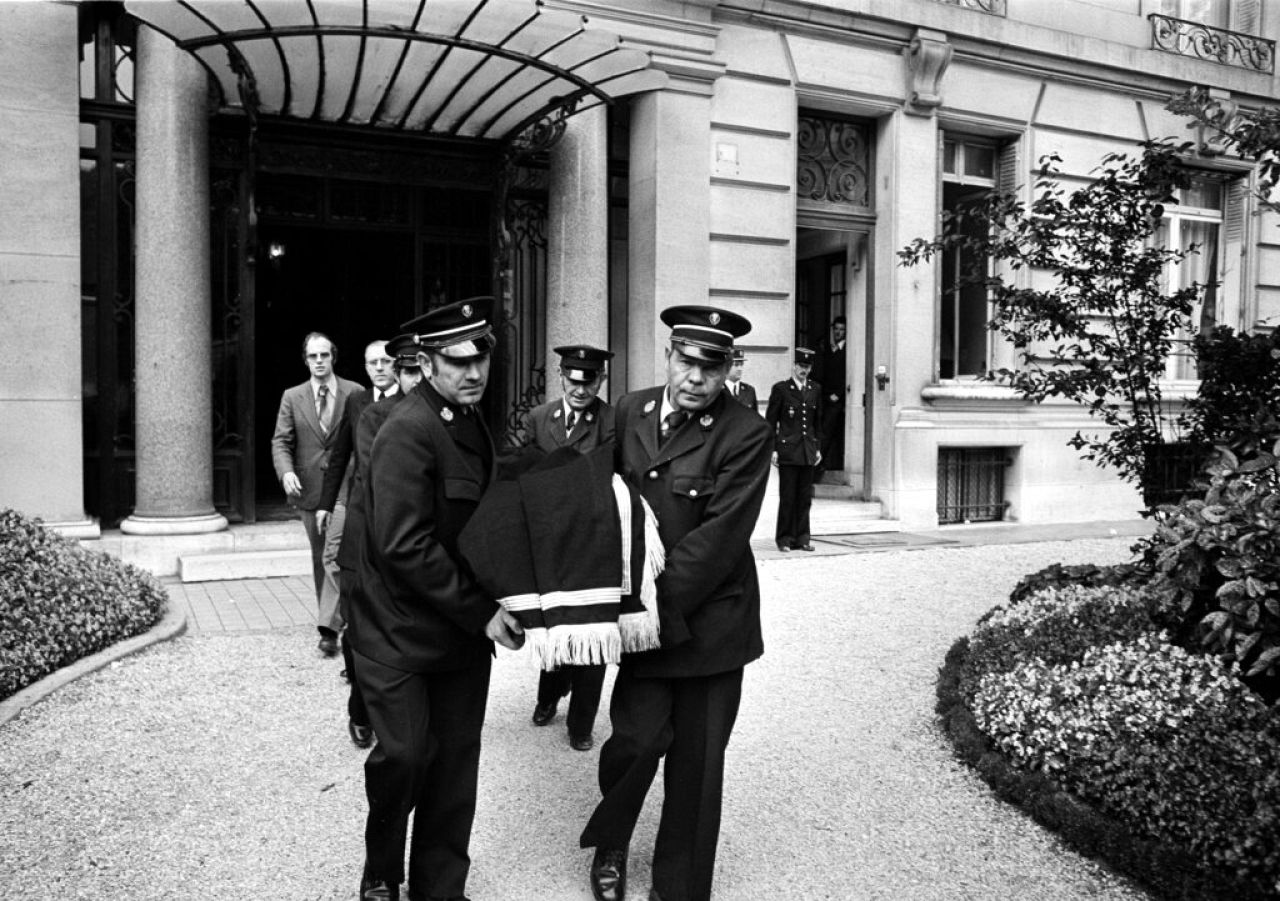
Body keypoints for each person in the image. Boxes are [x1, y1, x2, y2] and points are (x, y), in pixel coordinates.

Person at [580, 305, 772, 901]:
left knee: (697, 765)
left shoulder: (747, 433)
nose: (694, 378)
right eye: (685, 362)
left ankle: (680, 887)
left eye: (709, 368)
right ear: (668, 354)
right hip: (642, 621)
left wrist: (643, 606)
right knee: (632, 744)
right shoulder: (630, 409)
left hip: (711, 625)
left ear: (727, 370)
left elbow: (716, 543)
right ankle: (612, 842)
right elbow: (596, 498)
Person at [345, 298, 524, 901]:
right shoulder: (407, 429)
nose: (473, 373)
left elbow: (481, 519)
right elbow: (403, 545)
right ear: (426, 361)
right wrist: (483, 611)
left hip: (456, 637)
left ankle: (439, 888)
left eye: (481, 360)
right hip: (397, 634)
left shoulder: (468, 419)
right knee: (405, 759)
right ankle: (381, 871)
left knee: (453, 772)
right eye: (457, 362)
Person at [523, 344, 617, 751]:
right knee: (555, 623)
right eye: (573, 381)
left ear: (600, 381)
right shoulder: (539, 419)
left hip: (595, 541)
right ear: (561, 377)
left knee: (594, 628)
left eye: (589, 382)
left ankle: (581, 722)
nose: (580, 390)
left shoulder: (612, 420)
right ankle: (549, 694)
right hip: (550, 543)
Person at [319, 338, 401, 749]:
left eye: (386, 361)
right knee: (354, 618)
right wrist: (325, 504)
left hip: (398, 525)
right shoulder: (356, 401)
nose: (379, 368)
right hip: (360, 520)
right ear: (365, 368)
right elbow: (340, 454)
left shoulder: (412, 401)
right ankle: (360, 708)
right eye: (372, 362)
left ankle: (386, 709)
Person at [270, 332, 361, 656]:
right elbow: (281, 441)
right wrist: (287, 472)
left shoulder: (355, 392)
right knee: (322, 558)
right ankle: (337, 621)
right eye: (313, 356)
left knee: (335, 556)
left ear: (333, 357)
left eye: (324, 355)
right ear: (306, 360)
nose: (319, 361)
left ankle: (329, 629)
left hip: (346, 488)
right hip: (309, 490)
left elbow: (362, 439)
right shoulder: (292, 397)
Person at [766, 347, 822, 553]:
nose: (804, 370)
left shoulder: (815, 389)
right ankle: (784, 538)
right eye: (801, 366)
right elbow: (770, 422)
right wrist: (773, 449)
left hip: (807, 451)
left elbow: (818, 422)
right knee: (788, 497)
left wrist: (817, 448)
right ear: (794, 366)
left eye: (807, 367)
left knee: (805, 498)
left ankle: (803, 537)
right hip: (788, 451)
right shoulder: (781, 389)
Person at [815, 316, 847, 471]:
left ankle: (820, 463)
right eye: (836, 329)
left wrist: (839, 394)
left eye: (842, 330)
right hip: (825, 396)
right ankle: (823, 462)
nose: (838, 332)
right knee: (824, 429)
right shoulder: (828, 349)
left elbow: (849, 375)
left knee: (829, 431)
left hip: (837, 399)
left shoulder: (847, 351)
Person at [724, 348, 758, 413]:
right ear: (726, 366)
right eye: (736, 365)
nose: (740, 369)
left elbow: (755, 418)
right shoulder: (717, 390)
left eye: (741, 364)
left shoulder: (749, 391)